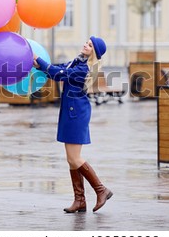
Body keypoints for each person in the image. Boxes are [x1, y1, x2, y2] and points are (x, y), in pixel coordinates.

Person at [33, 36, 113, 213]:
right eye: (86, 42)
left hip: (76, 113)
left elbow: (60, 75)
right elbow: (57, 69)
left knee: (75, 158)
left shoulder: (83, 68)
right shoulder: (77, 61)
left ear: (94, 52)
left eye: (90, 45)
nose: (85, 45)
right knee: (71, 160)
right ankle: (80, 201)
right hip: (71, 111)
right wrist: (41, 66)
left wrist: (39, 60)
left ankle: (101, 190)